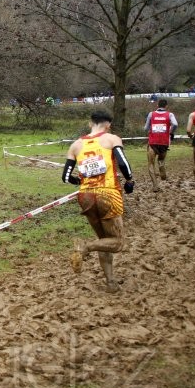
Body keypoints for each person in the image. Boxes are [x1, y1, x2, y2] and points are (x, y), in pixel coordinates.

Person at [63, 111, 135, 293]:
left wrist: (79, 181)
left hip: (85, 196)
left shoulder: (76, 145)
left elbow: (65, 176)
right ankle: (85, 247)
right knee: (118, 243)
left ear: (90, 123)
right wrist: (129, 181)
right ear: (108, 125)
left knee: (105, 240)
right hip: (108, 194)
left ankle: (111, 283)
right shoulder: (112, 139)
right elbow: (124, 164)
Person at [144, 99, 177, 191]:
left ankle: (155, 185)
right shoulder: (170, 114)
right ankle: (161, 165)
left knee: (151, 164)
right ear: (166, 106)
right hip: (164, 142)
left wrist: (151, 128)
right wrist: (170, 132)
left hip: (153, 142)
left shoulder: (151, 114)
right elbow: (175, 124)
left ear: (157, 105)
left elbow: (146, 128)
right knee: (161, 159)